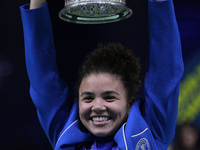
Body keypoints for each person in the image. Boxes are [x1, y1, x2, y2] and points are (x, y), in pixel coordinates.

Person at [20, 0, 184, 149]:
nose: (97, 107)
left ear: (129, 104)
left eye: (109, 97)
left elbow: (166, 73)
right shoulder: (65, 133)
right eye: (88, 98)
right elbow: (43, 82)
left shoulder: (152, 132)